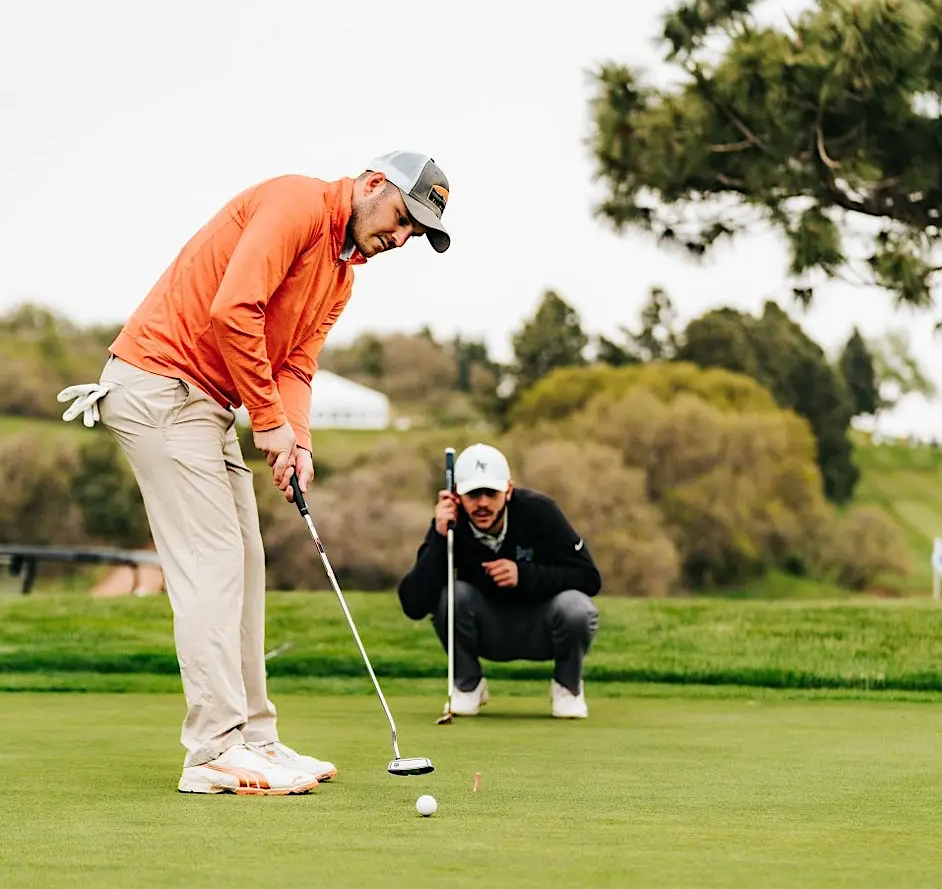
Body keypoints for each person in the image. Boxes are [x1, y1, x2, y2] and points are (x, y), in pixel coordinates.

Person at [59, 152, 452, 795]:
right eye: (404, 218)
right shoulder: (296, 203)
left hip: (204, 404)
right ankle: (211, 752)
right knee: (212, 566)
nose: (401, 238)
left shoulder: (341, 277)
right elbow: (234, 309)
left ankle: (255, 740)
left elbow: (295, 363)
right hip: (159, 387)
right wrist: (266, 423)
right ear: (374, 184)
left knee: (245, 559)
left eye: (415, 234)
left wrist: (295, 441)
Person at [398, 444, 601, 718]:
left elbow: (589, 578)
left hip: (543, 626)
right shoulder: (449, 526)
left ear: (508, 490)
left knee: (578, 608)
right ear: (456, 495)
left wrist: (525, 575)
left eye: (491, 493)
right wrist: (439, 537)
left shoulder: (539, 511)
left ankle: (567, 686)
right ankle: (468, 685)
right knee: (453, 596)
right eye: (473, 494)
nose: (482, 503)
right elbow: (413, 604)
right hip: (487, 628)